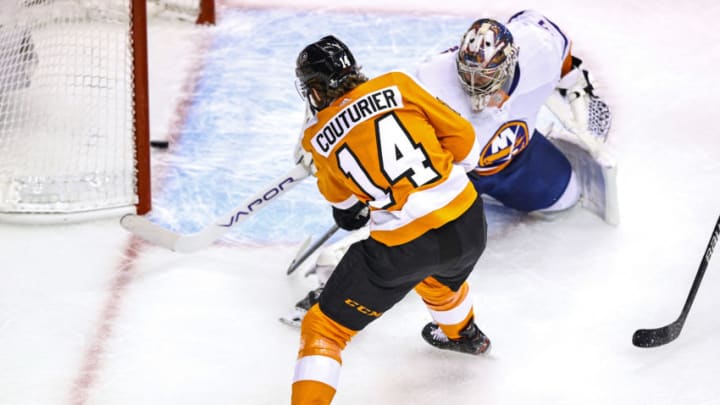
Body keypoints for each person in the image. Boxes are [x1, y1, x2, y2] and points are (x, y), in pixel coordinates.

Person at [281, 10, 613, 327]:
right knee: (414, 233)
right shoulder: (432, 76)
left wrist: (579, 93)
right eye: (466, 71)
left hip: (517, 158)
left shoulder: (539, 46)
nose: (472, 81)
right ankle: (350, 279)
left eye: (484, 75)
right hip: (450, 177)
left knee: (564, 198)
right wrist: (327, 141)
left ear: (510, 62)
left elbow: (563, 56)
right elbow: (376, 122)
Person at [290, 34, 490, 404]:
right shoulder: (397, 84)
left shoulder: (316, 137)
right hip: (469, 222)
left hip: (404, 248)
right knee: (436, 275)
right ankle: (464, 335)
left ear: (315, 91)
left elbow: (344, 204)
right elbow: (464, 142)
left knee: (323, 327)